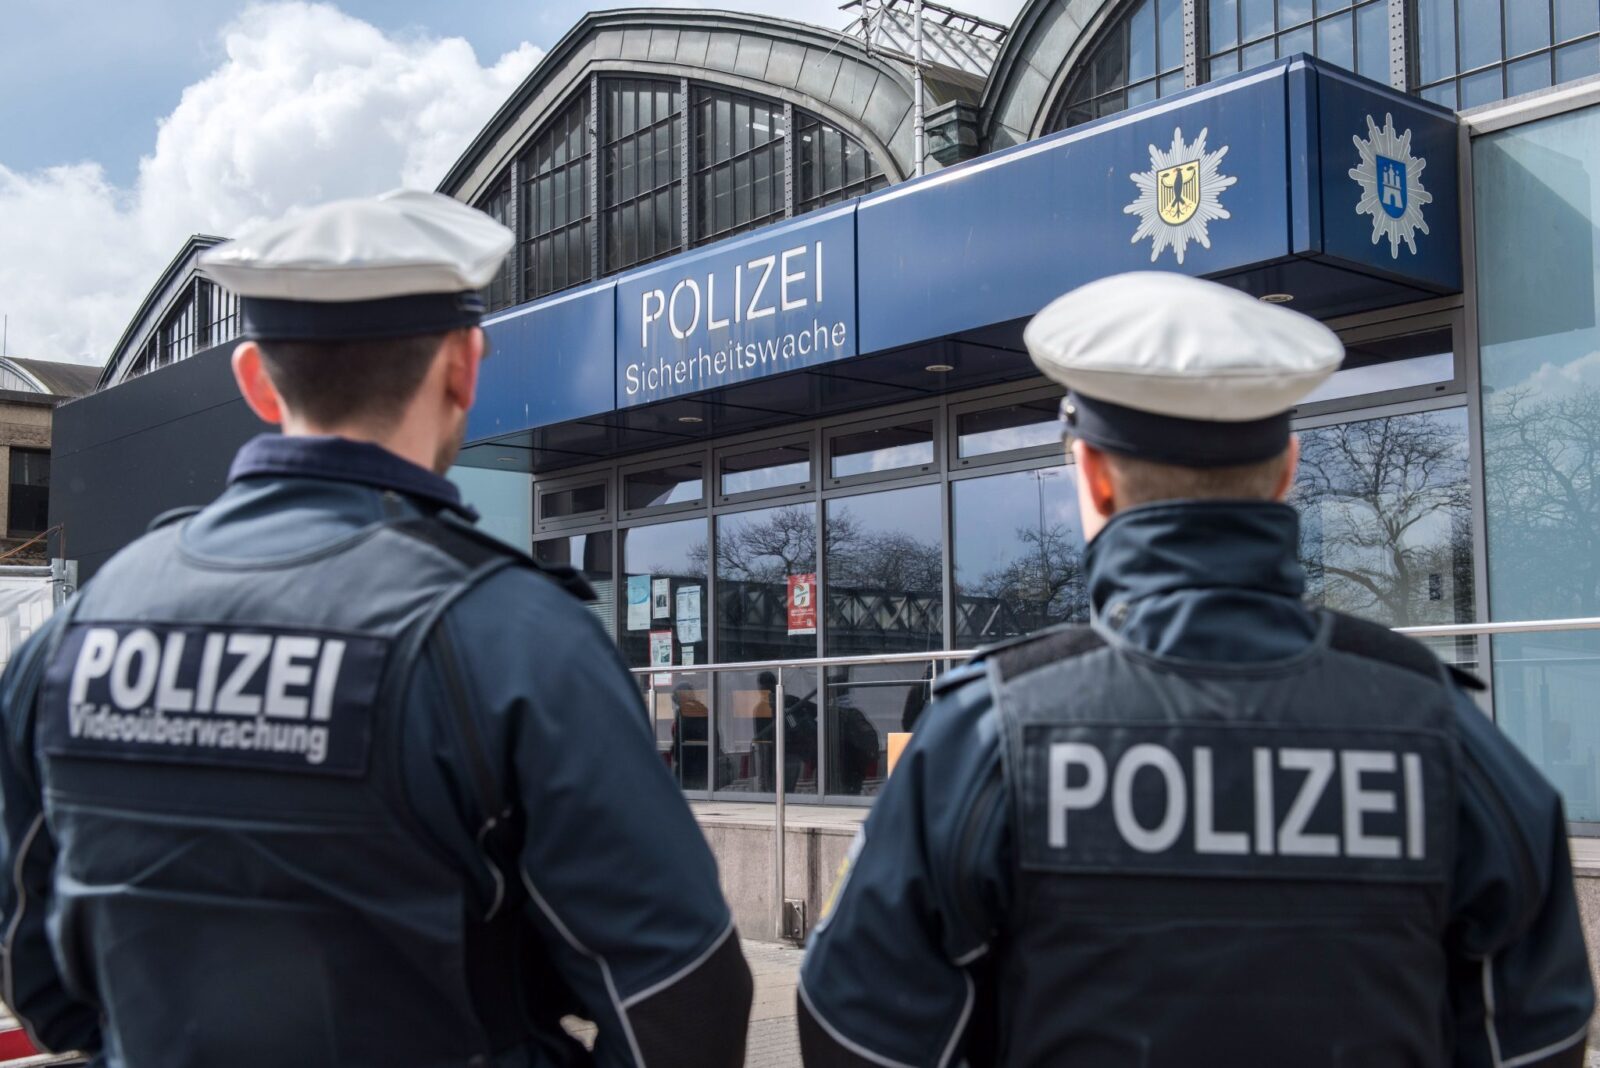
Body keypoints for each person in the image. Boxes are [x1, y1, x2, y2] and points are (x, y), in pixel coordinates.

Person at [0, 190, 752, 1067]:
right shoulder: (513, 638)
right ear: (465, 368)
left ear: (254, 378)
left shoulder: (71, 639)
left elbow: (32, 955)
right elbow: (679, 996)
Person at [797, 272, 1594, 1067]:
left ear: (1096, 474)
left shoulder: (987, 734)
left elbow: (853, 1029)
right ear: (1287, 470)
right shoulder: (1445, 733)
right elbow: (1540, 1033)